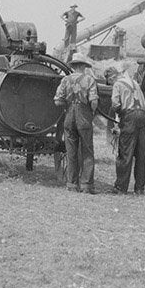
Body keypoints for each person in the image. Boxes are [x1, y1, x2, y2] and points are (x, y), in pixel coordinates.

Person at [54, 52, 98, 193]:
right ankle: (86, 185)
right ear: (83, 66)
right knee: (87, 151)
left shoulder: (65, 80)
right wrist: (92, 112)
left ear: (74, 66)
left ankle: (71, 184)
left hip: (69, 115)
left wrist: (68, 105)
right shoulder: (89, 80)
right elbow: (94, 101)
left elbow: (57, 100)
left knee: (71, 151)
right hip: (84, 115)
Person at [107, 63, 145, 195]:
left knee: (125, 152)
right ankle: (139, 188)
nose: (110, 84)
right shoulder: (135, 83)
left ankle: (120, 187)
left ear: (112, 77)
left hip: (129, 117)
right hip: (142, 116)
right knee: (140, 154)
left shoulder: (117, 85)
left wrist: (117, 120)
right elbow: (144, 104)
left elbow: (115, 104)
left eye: (109, 82)